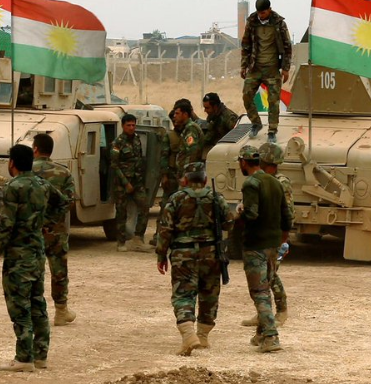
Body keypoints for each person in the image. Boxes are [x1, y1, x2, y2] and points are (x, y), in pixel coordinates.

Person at [0, 144, 63, 372]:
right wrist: (46, 223)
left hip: (18, 256)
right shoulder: (42, 184)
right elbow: (62, 202)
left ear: (12, 163)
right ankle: (40, 355)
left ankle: (24, 358)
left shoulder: (13, 187)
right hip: (37, 253)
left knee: (20, 307)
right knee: (37, 303)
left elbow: (6, 224)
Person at [156, 161, 234, 355]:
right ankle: (203, 335)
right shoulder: (216, 198)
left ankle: (189, 335)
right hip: (211, 253)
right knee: (209, 294)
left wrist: (161, 255)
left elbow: (165, 230)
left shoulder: (176, 199)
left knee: (183, 294)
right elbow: (229, 223)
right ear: (205, 180)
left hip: (183, 254)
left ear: (185, 180)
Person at [236, 143, 292, 352]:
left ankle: (271, 336)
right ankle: (261, 334)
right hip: (272, 244)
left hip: (256, 245)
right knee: (266, 287)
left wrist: (237, 216)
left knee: (259, 292)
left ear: (244, 162)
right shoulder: (275, 182)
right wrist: (280, 239)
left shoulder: (251, 183)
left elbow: (251, 214)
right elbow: (286, 216)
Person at [32, 132, 77, 326]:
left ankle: (34, 311)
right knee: (58, 270)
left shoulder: (26, 172)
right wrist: (52, 219)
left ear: (35, 149)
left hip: (32, 229)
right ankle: (61, 311)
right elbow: (69, 202)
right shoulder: (64, 172)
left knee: (33, 270)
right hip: (56, 231)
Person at [240, 0, 293, 141]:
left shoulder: (279, 23)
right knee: (246, 95)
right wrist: (244, 65)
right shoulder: (252, 22)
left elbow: (287, 47)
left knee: (273, 101)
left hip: (272, 69)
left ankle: (272, 131)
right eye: (259, 12)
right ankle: (256, 123)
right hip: (255, 67)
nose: (260, 15)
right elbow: (245, 45)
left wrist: (285, 68)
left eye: (263, 13)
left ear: (269, 10)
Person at [110, 113, 153, 252]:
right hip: (122, 183)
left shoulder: (137, 140)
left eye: (133, 125)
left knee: (145, 207)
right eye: (128, 125)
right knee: (121, 212)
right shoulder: (117, 143)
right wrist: (125, 183)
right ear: (123, 126)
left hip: (137, 181)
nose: (131, 128)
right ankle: (121, 241)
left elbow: (139, 159)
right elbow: (114, 165)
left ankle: (138, 238)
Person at [201, 92, 239, 157]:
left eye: (207, 108)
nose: (205, 110)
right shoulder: (213, 116)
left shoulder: (228, 117)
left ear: (215, 107)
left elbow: (238, 136)